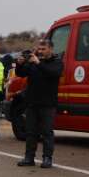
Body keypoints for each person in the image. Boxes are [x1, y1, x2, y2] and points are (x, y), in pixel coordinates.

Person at [15, 38, 63, 169]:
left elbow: (53, 73)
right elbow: (21, 73)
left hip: (48, 104)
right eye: (39, 49)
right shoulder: (34, 62)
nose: (41, 51)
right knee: (31, 132)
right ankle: (29, 157)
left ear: (50, 49)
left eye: (43, 49)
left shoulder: (57, 62)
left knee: (47, 132)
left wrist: (38, 63)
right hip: (32, 103)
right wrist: (19, 64)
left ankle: (47, 158)